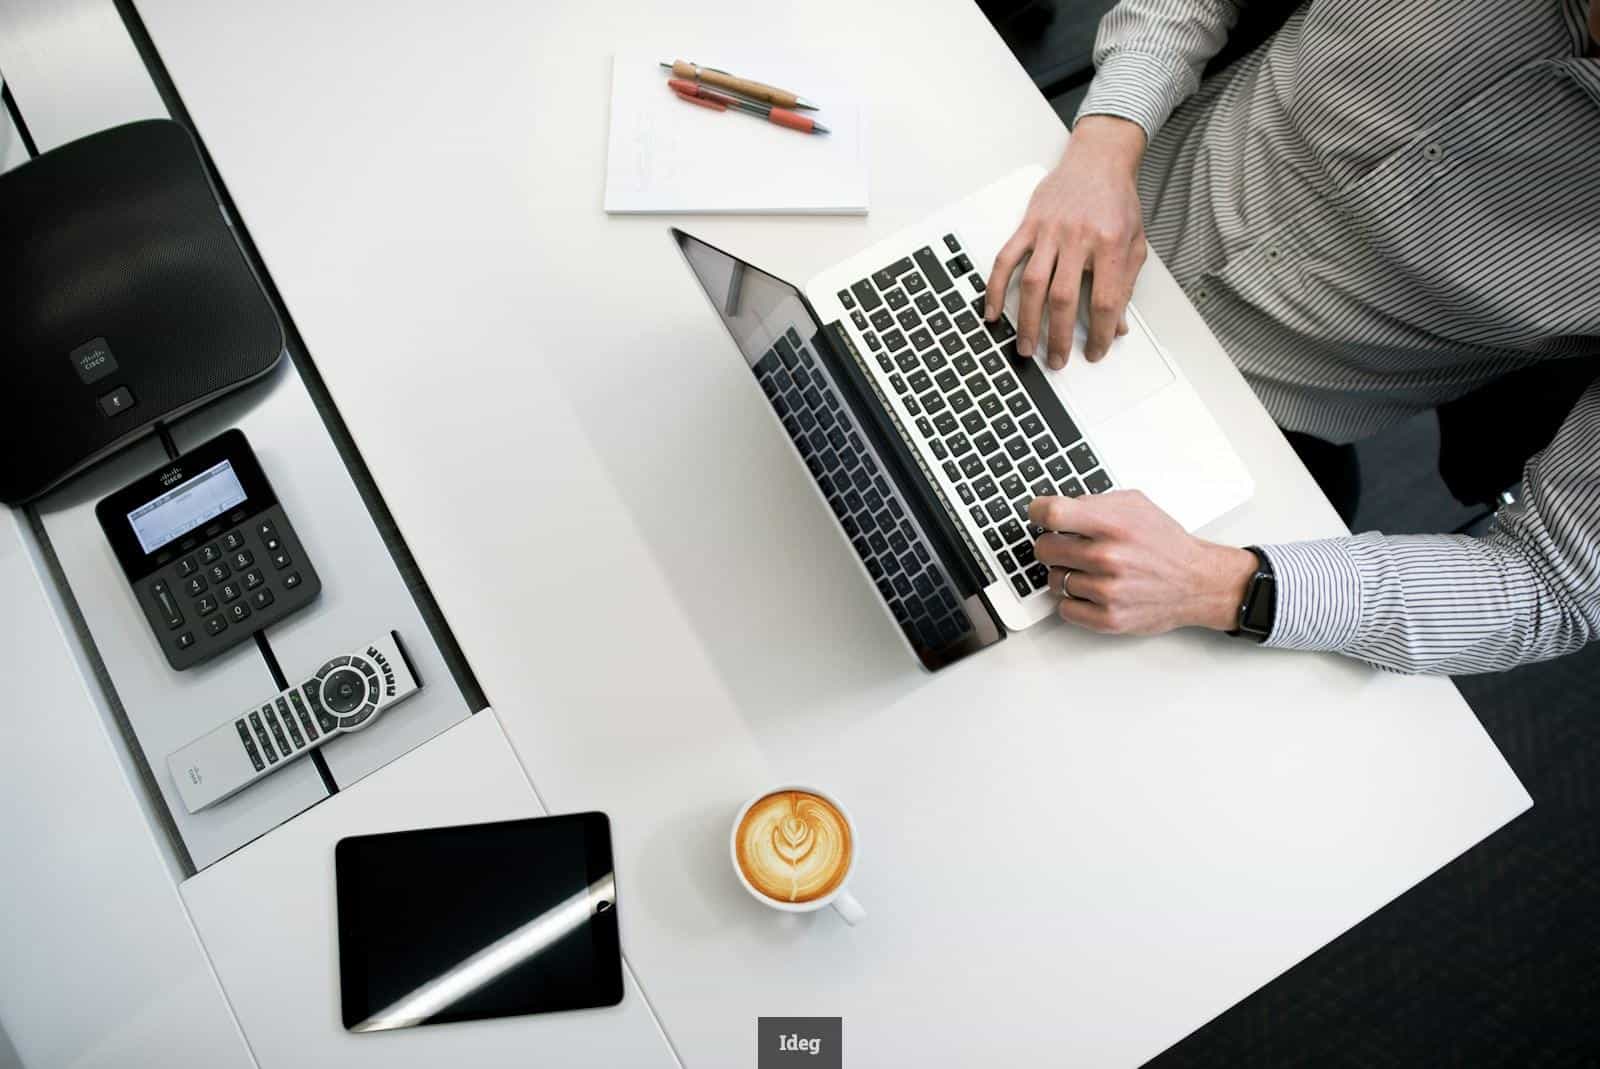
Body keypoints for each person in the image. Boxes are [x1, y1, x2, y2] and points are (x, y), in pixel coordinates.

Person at [991, 0, 1600, 674]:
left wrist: (1219, 584)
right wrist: (1105, 146)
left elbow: (1553, 582)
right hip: (1061, 202)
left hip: (1241, 441)